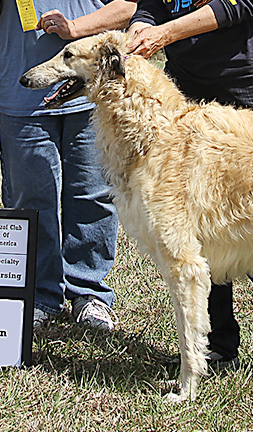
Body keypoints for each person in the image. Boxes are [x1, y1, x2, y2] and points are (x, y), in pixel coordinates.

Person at [127, 0, 253, 384]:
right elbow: (151, 6)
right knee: (197, 221)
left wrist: (165, 33)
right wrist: (141, 24)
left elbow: (247, 4)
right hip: (189, 82)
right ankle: (216, 344)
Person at [0, 0, 137, 331]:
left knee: (93, 196)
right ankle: (37, 297)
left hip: (90, 94)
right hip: (18, 92)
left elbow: (129, 6)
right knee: (29, 202)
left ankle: (89, 295)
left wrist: (76, 29)